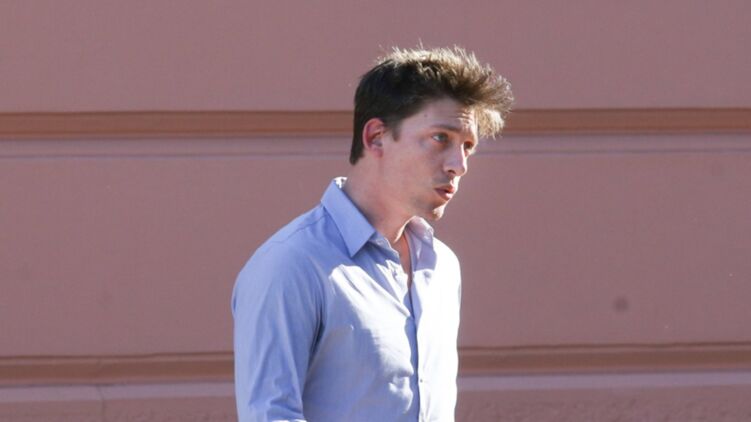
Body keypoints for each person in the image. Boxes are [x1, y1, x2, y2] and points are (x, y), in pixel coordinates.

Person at [232, 46, 513, 422]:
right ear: (376, 136)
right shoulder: (292, 264)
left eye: (468, 147)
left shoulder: (441, 266)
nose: (459, 165)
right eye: (441, 138)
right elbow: (269, 415)